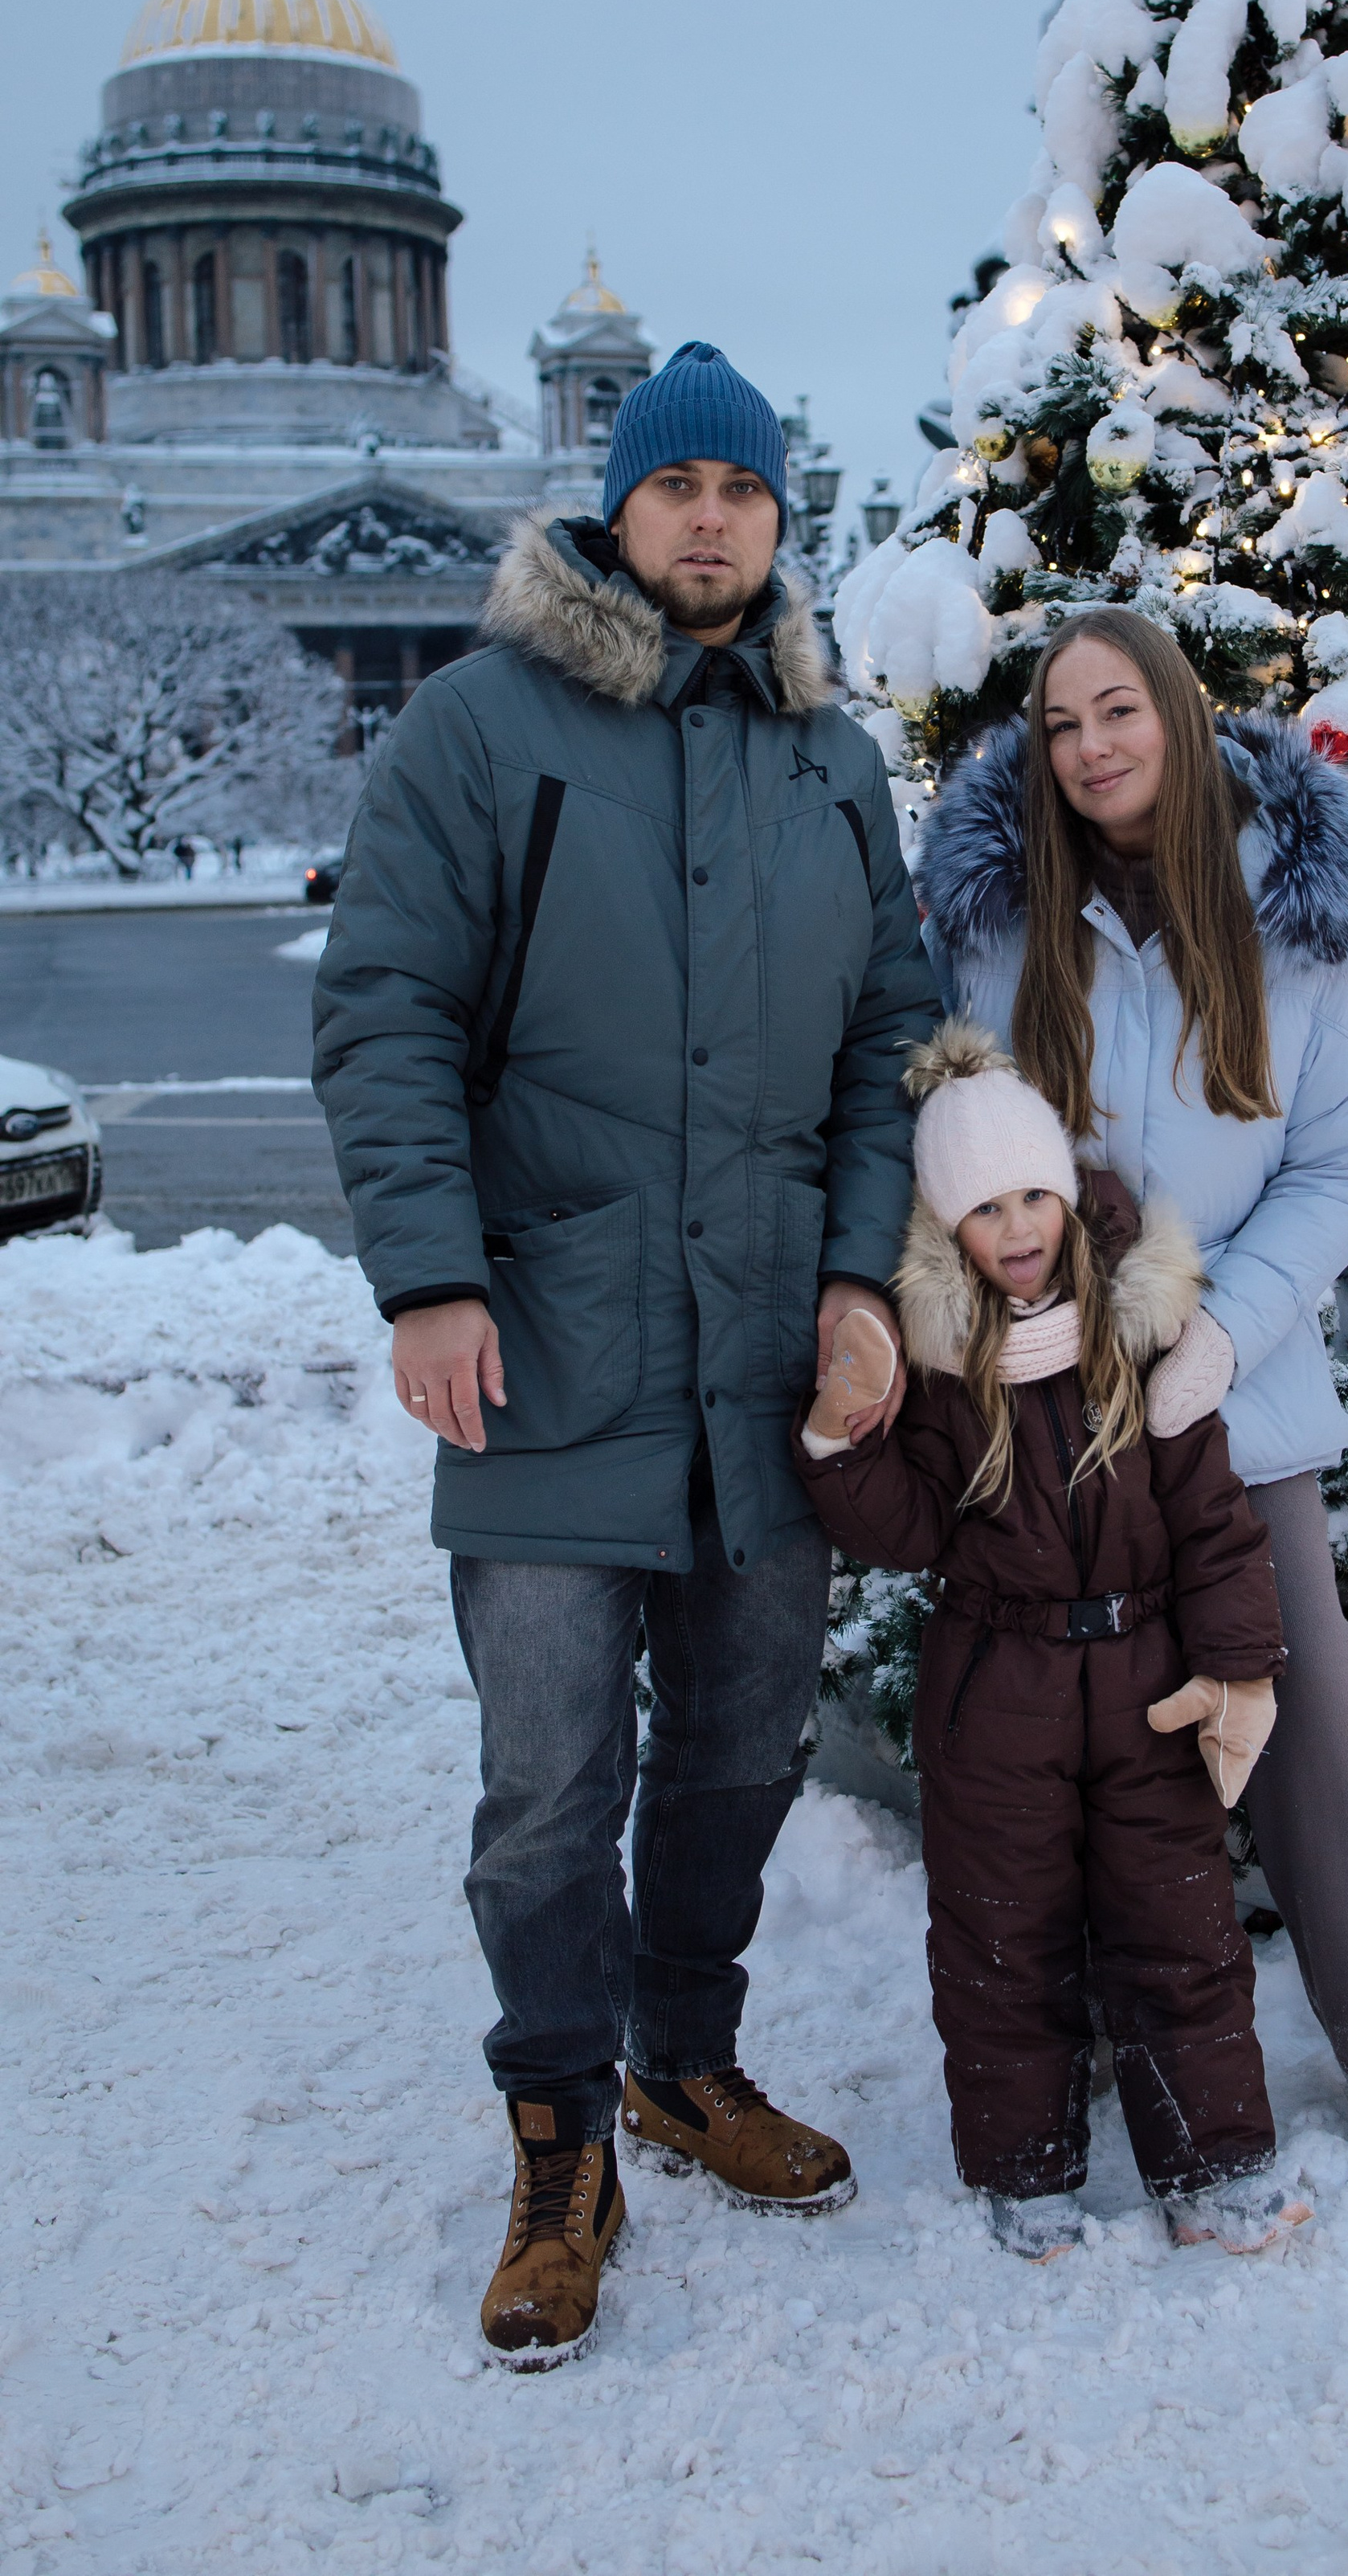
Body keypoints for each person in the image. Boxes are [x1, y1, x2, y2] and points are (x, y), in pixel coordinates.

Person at [312, 341, 940, 2368]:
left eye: (738, 494)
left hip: (771, 1356)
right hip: (551, 1347)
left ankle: (687, 2059)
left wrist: (862, 1278)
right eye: (671, 489)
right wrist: (428, 1277)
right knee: (543, 1786)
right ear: (616, 506)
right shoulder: (483, 728)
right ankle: (557, 2131)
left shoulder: (829, 760)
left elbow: (884, 1045)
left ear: (775, 521)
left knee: (747, 1748)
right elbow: (389, 1004)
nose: (704, 520)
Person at [917, 606, 1348, 2181]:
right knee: (1052, 1739)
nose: (1089, 746)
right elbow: (947, 1126)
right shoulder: (992, 914)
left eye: (1116, 711)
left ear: (1171, 712)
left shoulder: (1286, 914)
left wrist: (1222, 1324)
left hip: (1237, 1396)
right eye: (1060, 721)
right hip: (1044, 1404)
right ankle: (1073, 2031)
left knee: (1307, 1736)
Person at [796, 1019, 1305, 2261]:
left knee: (1180, 1928)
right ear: (946, 1232)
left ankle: (1213, 2166)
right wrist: (836, 1442)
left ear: (1072, 1198)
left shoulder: (1142, 1338)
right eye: (985, 1211)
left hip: (1145, 1685)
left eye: (1035, 1194)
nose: (1017, 1229)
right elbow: (910, 1530)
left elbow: (1216, 1526)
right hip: (999, 1693)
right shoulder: (941, 1362)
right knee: (999, 1939)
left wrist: (1237, 1668)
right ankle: (1026, 2175)